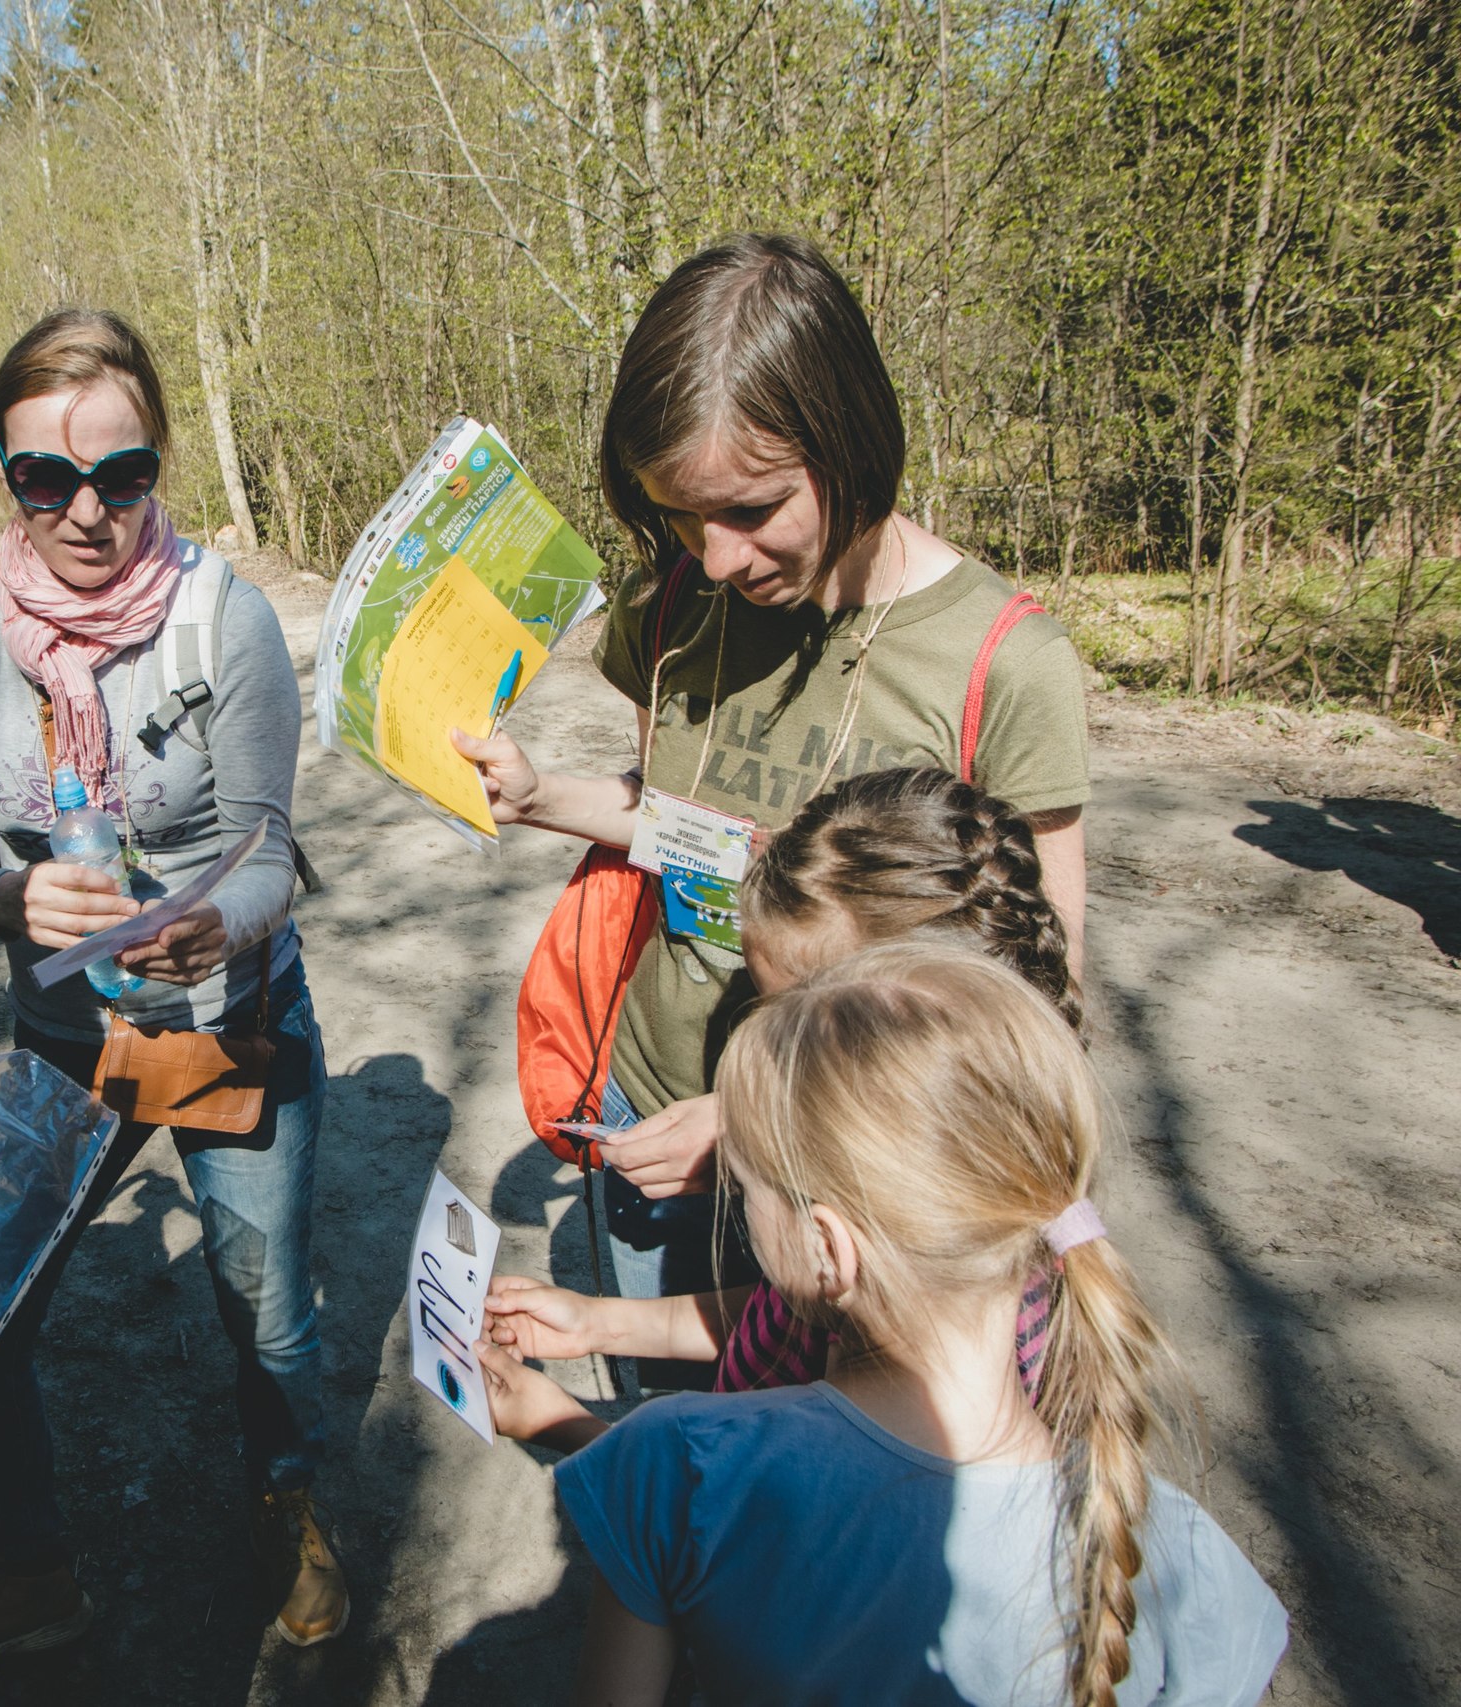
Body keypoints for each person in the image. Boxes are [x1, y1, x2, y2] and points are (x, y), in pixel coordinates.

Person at [453, 233, 1092, 1368]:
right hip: (645, 1114)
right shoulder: (673, 608)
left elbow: (1034, 1013)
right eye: (679, 517)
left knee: (792, 1498)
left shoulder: (1000, 664)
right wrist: (546, 796)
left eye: (751, 510)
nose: (715, 557)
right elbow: (685, 816)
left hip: (842, 1195)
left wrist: (758, 1122)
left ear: (848, 442)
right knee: (666, 1447)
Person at [0, 308, 342, 1691]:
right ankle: (32, 1567)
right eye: (45, 478)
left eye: (122, 474)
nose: (87, 511)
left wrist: (213, 917)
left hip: (220, 1023)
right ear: (3, 470)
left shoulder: (226, 615)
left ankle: (286, 1501)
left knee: (263, 1301)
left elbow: (269, 845)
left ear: (159, 465)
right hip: (61, 1039)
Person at [479, 943, 1289, 1705]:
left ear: (828, 1245)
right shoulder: (1181, 1554)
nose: (740, 1206)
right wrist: (595, 1328)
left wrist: (572, 1428)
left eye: (748, 1187)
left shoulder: (673, 1458)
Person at [488, 766, 1078, 1392]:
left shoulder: (937, 1307)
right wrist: (598, 1325)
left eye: (785, 1021)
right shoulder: (903, 1210)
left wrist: (580, 1435)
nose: (762, 1043)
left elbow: (771, 1474)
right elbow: (789, 1314)